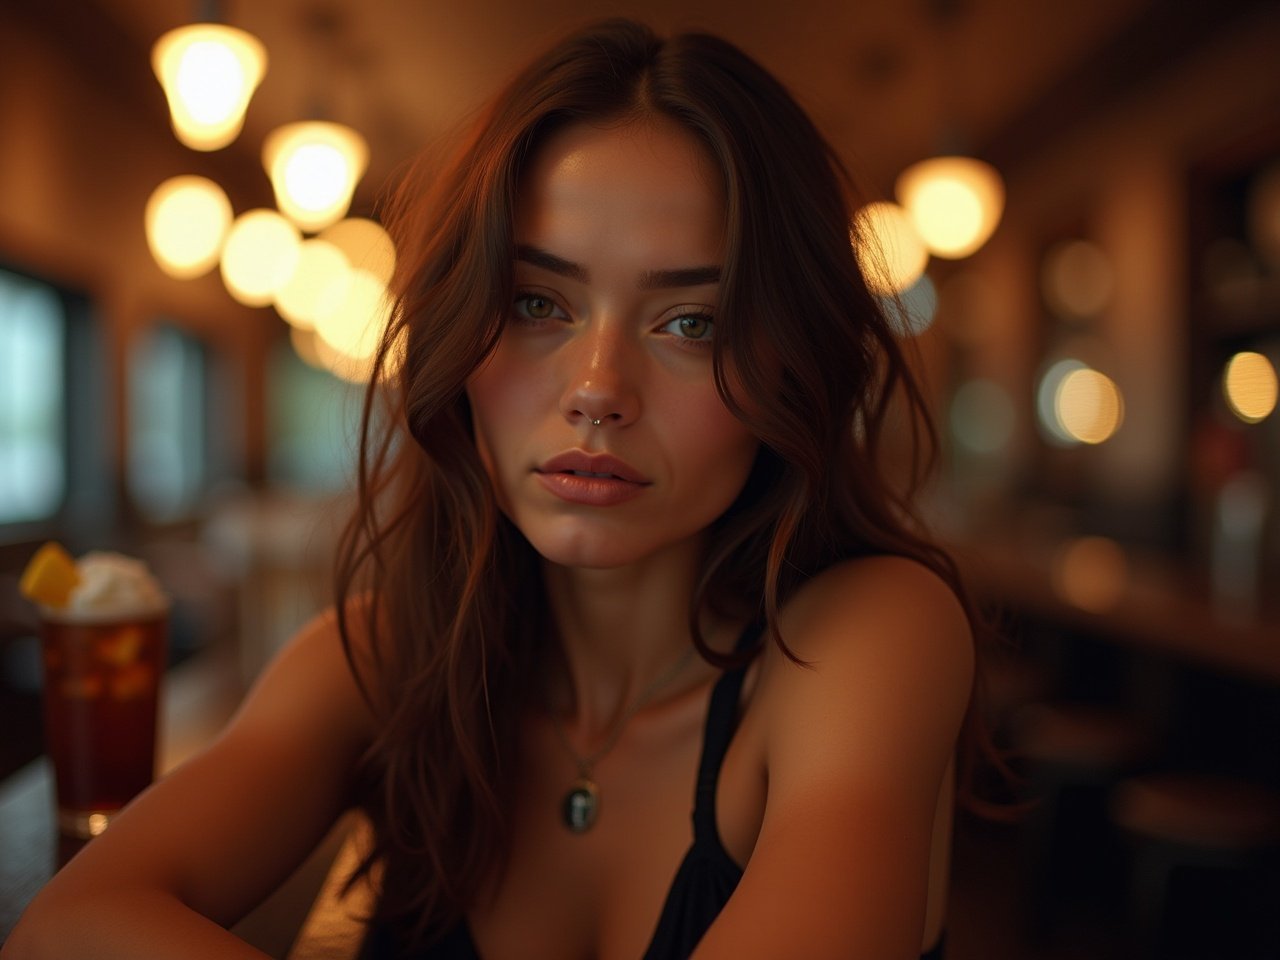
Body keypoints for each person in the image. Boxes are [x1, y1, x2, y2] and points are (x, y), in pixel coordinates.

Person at [5, 18, 978, 960]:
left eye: (692, 322)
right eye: (534, 303)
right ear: (457, 338)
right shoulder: (383, 659)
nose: (597, 389)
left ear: (792, 366)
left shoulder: (870, 639)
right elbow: (68, 926)